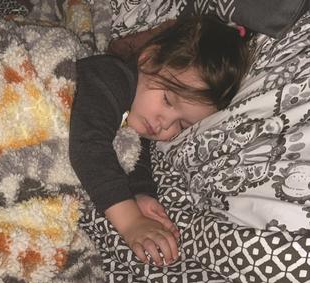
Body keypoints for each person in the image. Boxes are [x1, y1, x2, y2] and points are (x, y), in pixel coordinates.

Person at [69, 15, 252, 266]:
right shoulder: (110, 77)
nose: (163, 124)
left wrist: (141, 193)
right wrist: (131, 221)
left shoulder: (138, 111)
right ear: (149, 59)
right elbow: (89, 146)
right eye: (167, 101)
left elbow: (134, 150)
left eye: (181, 124)